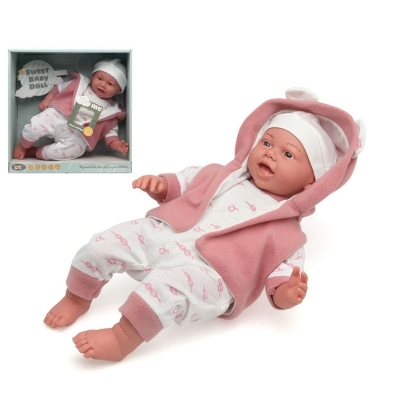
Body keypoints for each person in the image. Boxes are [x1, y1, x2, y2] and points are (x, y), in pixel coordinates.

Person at [44, 87, 364, 362]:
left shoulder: (289, 233)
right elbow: (185, 181)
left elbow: (279, 278)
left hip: (212, 275)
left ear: (312, 184)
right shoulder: (220, 174)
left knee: (165, 291)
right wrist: (162, 185)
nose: (271, 154)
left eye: (288, 155)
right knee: (104, 243)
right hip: (168, 233)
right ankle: (77, 297)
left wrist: (286, 294)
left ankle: (122, 338)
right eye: (266, 143)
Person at [13, 59, 127, 160]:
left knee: (76, 150)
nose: (102, 84)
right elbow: (58, 88)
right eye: (99, 78)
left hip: (79, 135)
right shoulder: (80, 85)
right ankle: (23, 146)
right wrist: (47, 100)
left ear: (119, 90)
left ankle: (35, 152)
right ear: (92, 77)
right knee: (37, 125)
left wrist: (117, 144)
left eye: (110, 84)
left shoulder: (112, 112)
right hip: (59, 115)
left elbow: (110, 135)